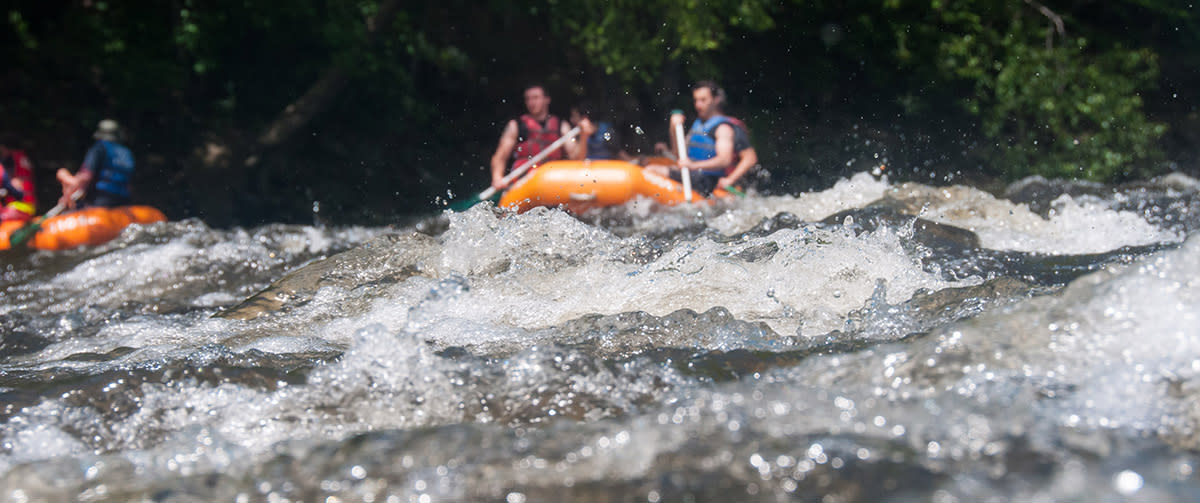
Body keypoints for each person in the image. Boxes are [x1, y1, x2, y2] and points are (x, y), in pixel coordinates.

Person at [648, 81, 757, 195]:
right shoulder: (698, 124)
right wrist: (673, 129)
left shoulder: (723, 128)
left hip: (708, 180)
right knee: (647, 164)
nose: (698, 105)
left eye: (703, 100)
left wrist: (730, 180)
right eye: (696, 100)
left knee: (652, 170)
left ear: (716, 99)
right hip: (693, 175)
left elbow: (725, 160)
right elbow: (680, 155)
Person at [489, 85, 594, 191]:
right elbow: (500, 157)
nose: (531, 102)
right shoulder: (516, 125)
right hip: (525, 180)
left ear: (547, 100)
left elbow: (577, 158)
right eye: (528, 99)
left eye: (535, 98)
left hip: (553, 181)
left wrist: (583, 136)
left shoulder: (561, 125)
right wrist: (497, 177)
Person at [58, 119, 134, 209]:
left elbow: (86, 177)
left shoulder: (99, 148)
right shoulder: (127, 152)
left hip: (100, 200)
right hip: (124, 201)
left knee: (61, 172)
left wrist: (67, 185)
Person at [0, 133, 36, 222]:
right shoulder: (23, 156)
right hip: (30, 203)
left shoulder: (10, 159)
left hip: (17, 205)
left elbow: (7, 182)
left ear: (5, 148)